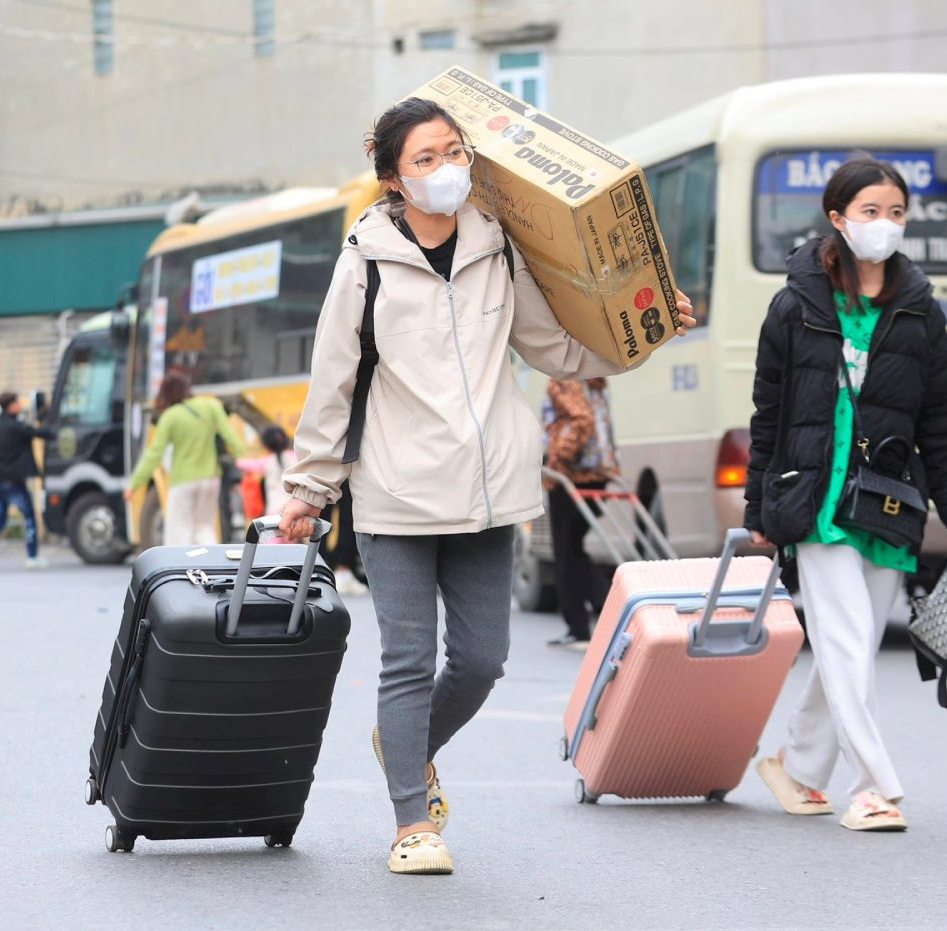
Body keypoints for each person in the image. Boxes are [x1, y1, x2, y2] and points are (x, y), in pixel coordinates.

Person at [278, 97, 695, 874]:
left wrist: (648, 328)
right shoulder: (365, 261)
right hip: (398, 494)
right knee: (407, 659)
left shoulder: (498, 248)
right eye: (425, 160)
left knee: (481, 660)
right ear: (394, 180)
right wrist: (309, 490)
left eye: (453, 152)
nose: (445, 170)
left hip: (490, 489)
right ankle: (412, 821)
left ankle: (406, 744)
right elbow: (332, 381)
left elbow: (555, 350)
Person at [743, 153, 947, 833]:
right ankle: (876, 784)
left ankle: (796, 767)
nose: (884, 225)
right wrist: (760, 508)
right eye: (871, 212)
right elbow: (771, 414)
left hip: (889, 498)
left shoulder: (919, 312)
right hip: (815, 499)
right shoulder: (795, 305)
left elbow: (938, 418)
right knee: (846, 642)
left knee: (853, 645)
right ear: (838, 218)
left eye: (896, 213)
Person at [123, 371, 246, 546]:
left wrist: (133, 484)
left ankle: (178, 569)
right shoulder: (211, 406)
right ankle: (211, 567)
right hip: (211, 479)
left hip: (183, 481)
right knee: (204, 527)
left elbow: (154, 454)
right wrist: (245, 462)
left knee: (178, 530)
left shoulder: (170, 416)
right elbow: (230, 437)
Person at [542, 377, 619, 648]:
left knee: (565, 551)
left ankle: (581, 623)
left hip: (570, 473)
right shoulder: (595, 377)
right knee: (575, 548)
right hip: (598, 469)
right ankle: (605, 605)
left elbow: (580, 419)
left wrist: (558, 456)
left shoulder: (563, 377)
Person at [0, 391, 51, 570]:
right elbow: (40, 432)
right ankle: (32, 557)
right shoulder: (15, 427)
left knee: (0, 517)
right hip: (12, 481)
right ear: (11, 406)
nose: (20, 405)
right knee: (30, 516)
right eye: (17, 402)